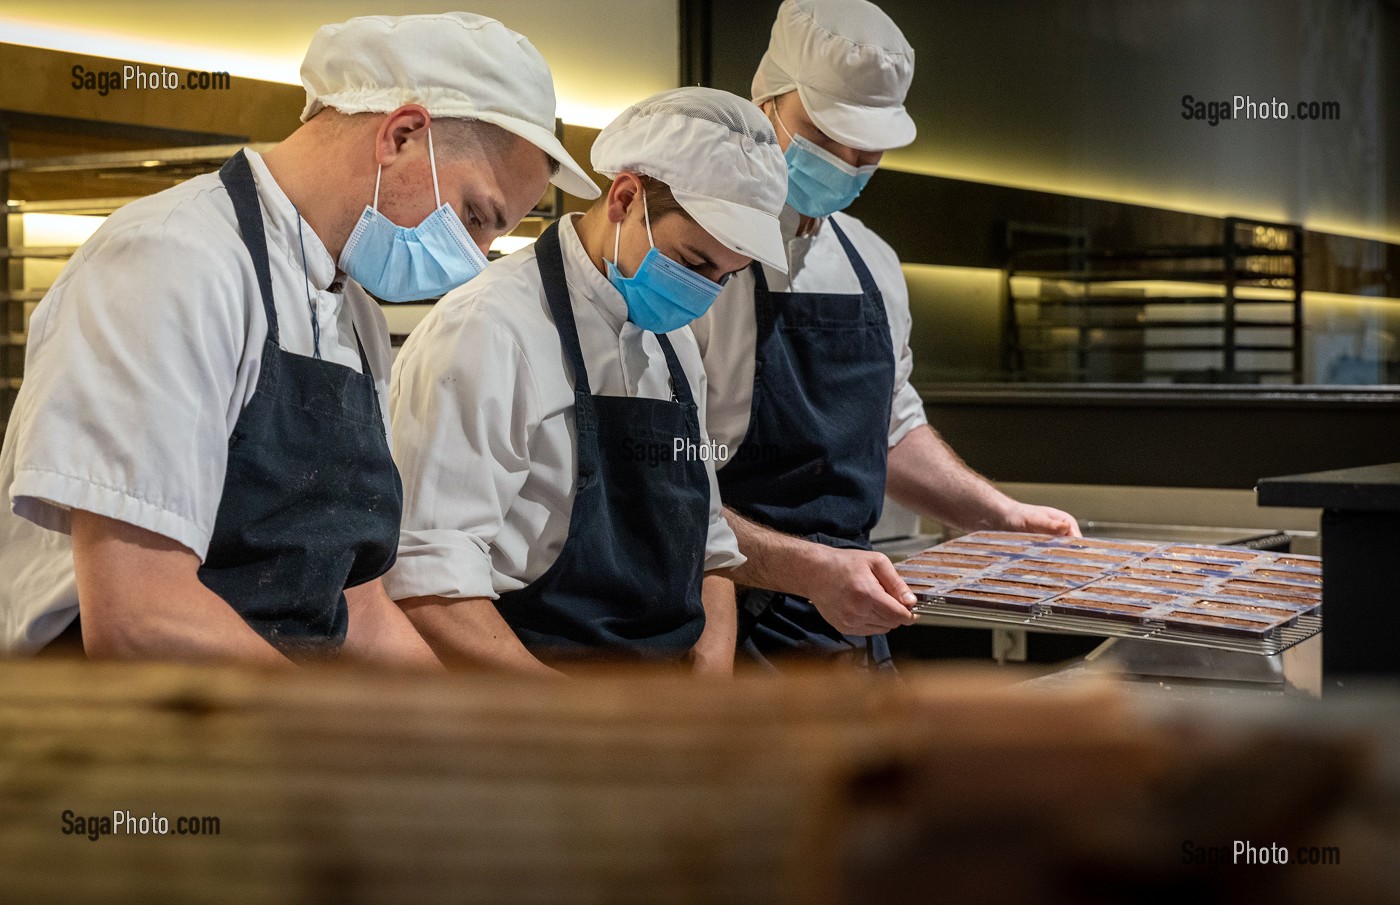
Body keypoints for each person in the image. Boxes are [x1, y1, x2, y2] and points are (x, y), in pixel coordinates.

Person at [0, 13, 600, 665]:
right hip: (119, 722)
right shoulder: (172, 261)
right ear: (400, 136)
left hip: (274, 712)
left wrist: (459, 723)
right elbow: (141, 615)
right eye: (477, 217)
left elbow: (359, 602)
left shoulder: (355, 318)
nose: (480, 256)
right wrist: (329, 731)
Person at [693, 0, 1080, 670]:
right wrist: (806, 572)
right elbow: (675, 490)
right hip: (728, 616)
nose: (845, 162)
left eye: (864, 150)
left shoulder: (873, 261)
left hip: (852, 619)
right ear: (766, 104)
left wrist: (996, 513)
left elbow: (893, 429)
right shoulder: (698, 261)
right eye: (825, 137)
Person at [386, 87, 789, 675]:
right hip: (536, 701)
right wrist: (581, 722)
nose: (704, 295)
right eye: (695, 263)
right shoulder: (487, 329)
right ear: (626, 197)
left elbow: (709, 544)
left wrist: (710, 688)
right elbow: (431, 581)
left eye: (727, 277)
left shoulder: (676, 345)